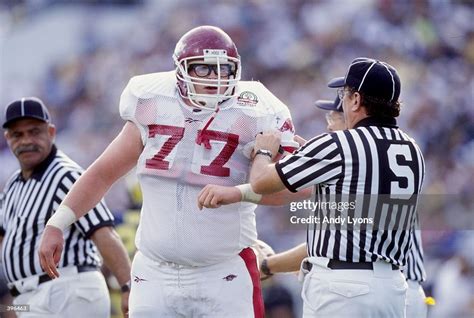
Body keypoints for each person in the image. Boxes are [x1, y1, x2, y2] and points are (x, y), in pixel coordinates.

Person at [38, 25, 301, 317]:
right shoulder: (152, 103)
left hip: (223, 272)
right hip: (154, 272)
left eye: (223, 69)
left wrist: (238, 193)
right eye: (203, 69)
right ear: (180, 71)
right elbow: (102, 173)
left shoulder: (255, 113)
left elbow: (292, 190)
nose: (215, 78)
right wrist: (57, 223)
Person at [199, 57, 426, 317]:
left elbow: (261, 181)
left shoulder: (339, 144)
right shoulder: (412, 149)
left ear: (355, 100)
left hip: (343, 288)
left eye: (346, 94)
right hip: (393, 288)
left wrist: (263, 150)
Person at [0, 97, 131, 317]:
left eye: (34, 132)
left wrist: (128, 287)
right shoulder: (13, 184)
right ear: (7, 138)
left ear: (51, 132)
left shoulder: (66, 175)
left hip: (68, 289)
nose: (26, 141)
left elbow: (104, 232)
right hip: (28, 297)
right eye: (17, 135)